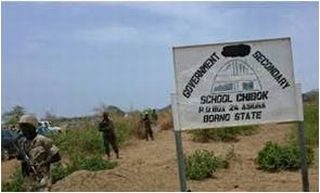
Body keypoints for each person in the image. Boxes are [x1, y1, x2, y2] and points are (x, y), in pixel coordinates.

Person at [16, 114, 61, 191]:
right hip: (30, 180)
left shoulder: (43, 140)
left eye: (26, 128)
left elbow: (57, 156)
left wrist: (44, 163)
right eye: (22, 128)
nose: (23, 130)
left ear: (32, 127)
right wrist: (25, 177)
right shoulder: (23, 143)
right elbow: (23, 161)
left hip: (43, 178)